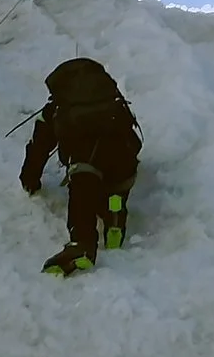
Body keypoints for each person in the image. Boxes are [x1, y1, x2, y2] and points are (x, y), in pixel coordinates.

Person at [20, 56, 141, 276]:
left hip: (88, 170)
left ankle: (81, 244)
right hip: (125, 169)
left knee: (82, 185)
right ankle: (115, 207)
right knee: (109, 182)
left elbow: (38, 148)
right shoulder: (111, 101)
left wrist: (30, 179)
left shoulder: (56, 110)